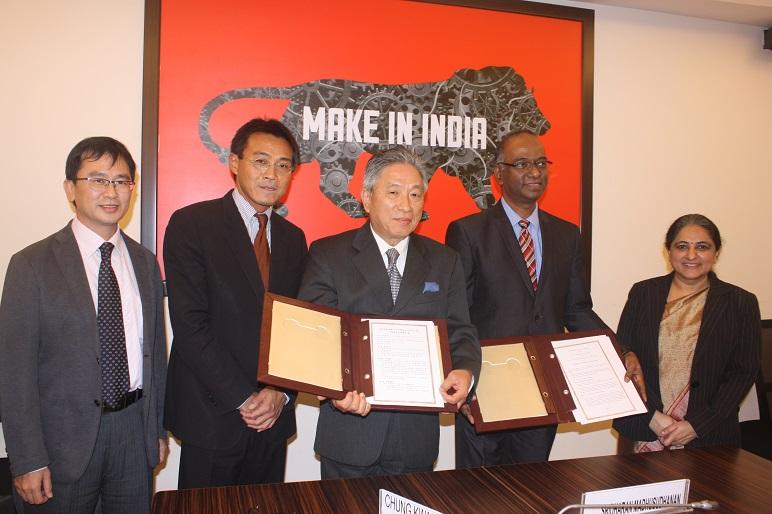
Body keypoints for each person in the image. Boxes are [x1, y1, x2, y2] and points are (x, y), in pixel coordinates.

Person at [446, 130, 645, 468]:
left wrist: (620, 351)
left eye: (540, 163)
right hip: (486, 388)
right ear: (498, 173)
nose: (535, 172)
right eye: (521, 164)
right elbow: (455, 314)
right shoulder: (468, 232)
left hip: (545, 388)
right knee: (477, 495)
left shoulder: (567, 235)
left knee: (533, 488)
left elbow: (578, 310)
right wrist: (461, 373)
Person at [0, 137, 167, 513]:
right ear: (70, 189)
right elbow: (14, 372)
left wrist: (155, 430)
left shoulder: (144, 263)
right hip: (60, 445)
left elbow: (156, 353)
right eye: (97, 179)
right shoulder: (32, 265)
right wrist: (27, 458)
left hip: (132, 432)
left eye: (122, 181)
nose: (111, 192)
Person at [299, 146, 481, 479]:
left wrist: (466, 372)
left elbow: (460, 331)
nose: (406, 205)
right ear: (367, 199)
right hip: (349, 433)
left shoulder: (445, 261)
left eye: (415, 194)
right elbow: (315, 338)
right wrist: (335, 390)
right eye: (394, 193)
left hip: (415, 440)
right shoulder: (329, 254)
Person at [163, 118, 307, 488]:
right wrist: (244, 398)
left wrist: (281, 393)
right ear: (233, 162)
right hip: (212, 416)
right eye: (261, 161)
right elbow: (190, 326)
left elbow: (299, 329)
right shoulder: (192, 224)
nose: (272, 174)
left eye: (283, 165)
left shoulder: (294, 239)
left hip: (273, 420)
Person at [613, 214, 760, 450]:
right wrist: (653, 418)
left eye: (702, 247)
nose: (691, 256)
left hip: (709, 435)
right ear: (668, 251)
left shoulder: (740, 303)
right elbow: (621, 354)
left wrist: (696, 425)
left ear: (716, 253)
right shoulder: (643, 293)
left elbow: (743, 372)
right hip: (644, 428)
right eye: (682, 246)